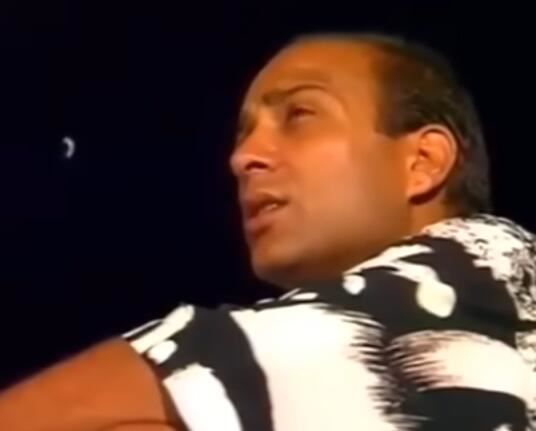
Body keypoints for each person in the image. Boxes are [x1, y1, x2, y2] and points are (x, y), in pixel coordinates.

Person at [1, 32, 535, 431]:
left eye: (300, 114)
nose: (243, 158)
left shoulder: (485, 276)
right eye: (245, 134)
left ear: (423, 161)